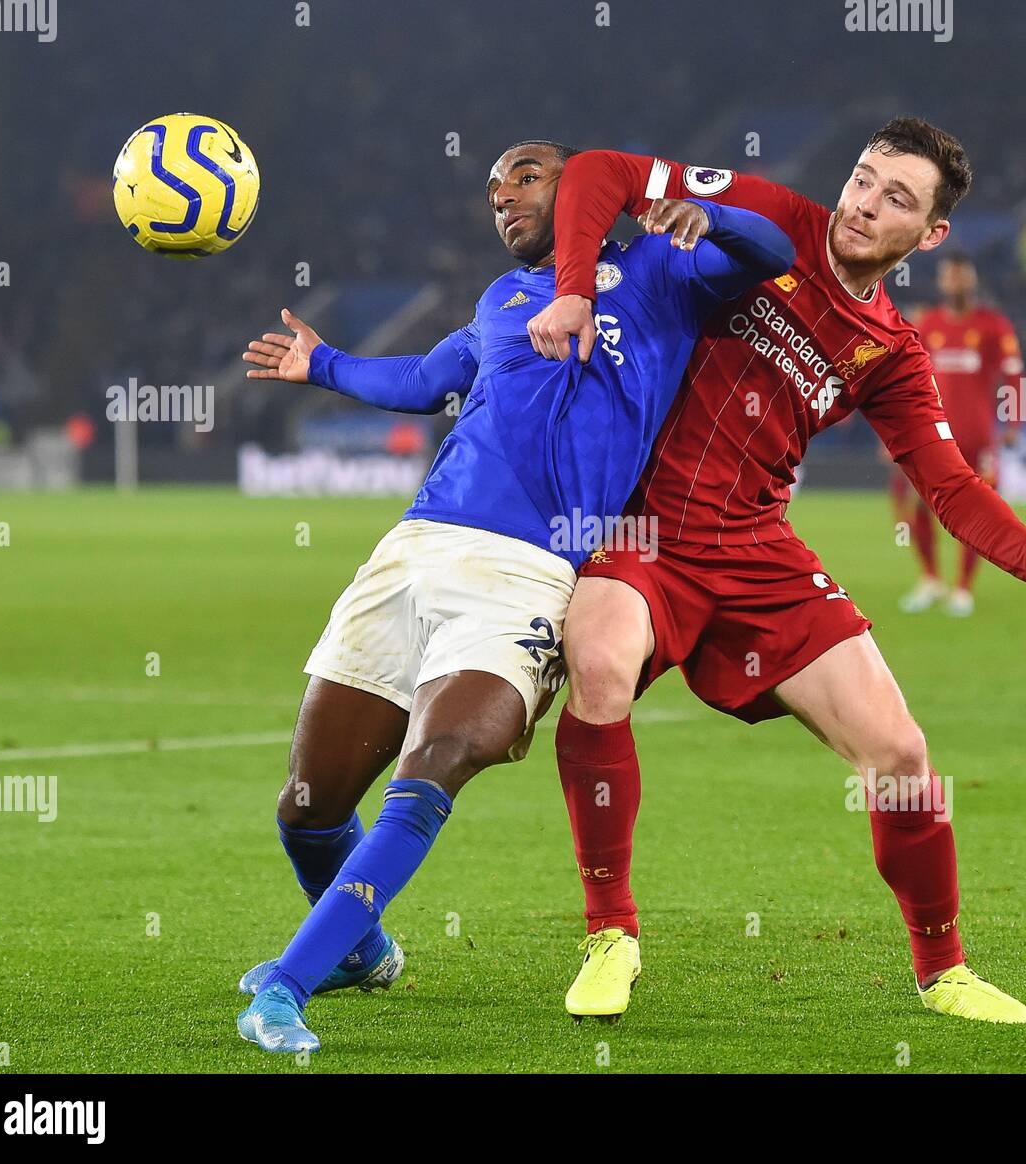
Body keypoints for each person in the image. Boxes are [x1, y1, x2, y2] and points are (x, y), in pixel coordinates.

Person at [524, 118, 1026, 1024]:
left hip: (759, 551)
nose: (865, 203)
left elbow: (945, 481)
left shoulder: (894, 352)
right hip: (643, 529)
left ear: (932, 234)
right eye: (865, 178)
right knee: (598, 668)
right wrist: (572, 291)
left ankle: (943, 968)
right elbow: (598, 168)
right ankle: (610, 932)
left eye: (897, 198)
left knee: (903, 753)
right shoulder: (771, 215)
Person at [231, 139, 794, 1053]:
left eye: (525, 177)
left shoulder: (661, 268)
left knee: (439, 758)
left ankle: (286, 987)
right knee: (307, 806)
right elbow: (424, 381)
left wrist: (712, 213)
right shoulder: (500, 301)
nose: (503, 199)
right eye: (492, 190)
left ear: (580, 188)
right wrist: (325, 364)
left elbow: (777, 251)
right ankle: (361, 952)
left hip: (533, 571)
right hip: (413, 552)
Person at [895, 255, 1026, 617]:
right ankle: (931, 578)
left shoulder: (993, 325)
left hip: (978, 437)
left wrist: (1014, 423)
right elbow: (906, 378)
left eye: (961, 277)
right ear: (941, 282)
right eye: (949, 277)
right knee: (919, 503)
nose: (955, 283)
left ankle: (963, 588)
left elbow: (1014, 375)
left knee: (976, 510)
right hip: (931, 434)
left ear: (972, 281)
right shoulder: (929, 324)